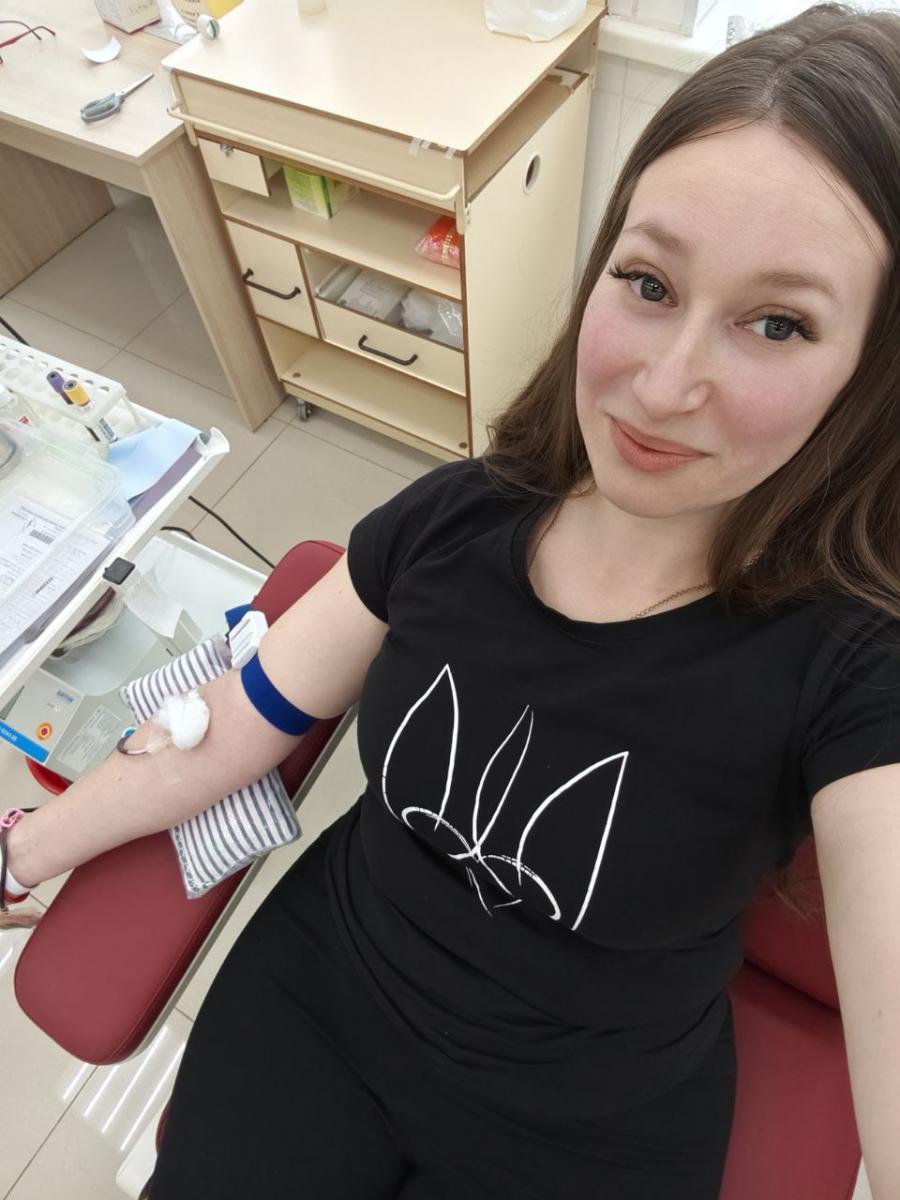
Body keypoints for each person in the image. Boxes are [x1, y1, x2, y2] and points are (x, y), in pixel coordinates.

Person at [3, 3, 900, 1195]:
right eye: (647, 281)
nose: (664, 383)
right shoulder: (462, 516)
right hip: (327, 1004)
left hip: (593, 1125)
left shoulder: (855, 669)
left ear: (868, 371)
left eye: (778, 323)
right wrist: (20, 853)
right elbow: (236, 720)